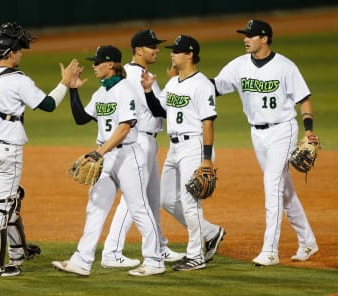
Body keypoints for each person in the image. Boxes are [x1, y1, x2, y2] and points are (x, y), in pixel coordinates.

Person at [0, 22, 79, 277]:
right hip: (8, 148)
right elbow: (47, 105)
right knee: (1, 205)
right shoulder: (18, 80)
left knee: (11, 198)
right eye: (19, 50)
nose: (21, 54)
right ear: (11, 52)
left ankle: (17, 251)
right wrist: (64, 83)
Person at [211, 19, 319, 266]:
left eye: (250, 35)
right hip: (257, 134)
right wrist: (187, 78)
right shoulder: (238, 65)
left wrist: (309, 131)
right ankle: (308, 241)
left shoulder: (285, 67)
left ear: (265, 38)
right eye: (244, 35)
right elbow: (214, 87)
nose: (245, 39)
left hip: (283, 130)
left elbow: (304, 99)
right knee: (285, 190)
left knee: (272, 185)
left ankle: (270, 250)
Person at [52, 45, 165, 277]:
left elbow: (125, 128)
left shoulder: (126, 90)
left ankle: (154, 260)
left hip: (128, 156)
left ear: (111, 64)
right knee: (95, 207)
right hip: (106, 155)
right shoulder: (101, 92)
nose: (94, 65)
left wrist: (99, 152)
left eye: (98, 62)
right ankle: (82, 261)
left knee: (139, 208)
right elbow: (82, 118)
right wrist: (73, 90)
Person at [100, 29, 185, 268]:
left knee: (151, 197)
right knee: (133, 200)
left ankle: (159, 245)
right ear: (138, 50)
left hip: (146, 140)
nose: (157, 49)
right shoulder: (136, 76)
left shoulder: (134, 73)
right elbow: (160, 109)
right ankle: (111, 251)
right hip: (140, 140)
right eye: (152, 46)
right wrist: (174, 84)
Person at [142, 35, 225, 271]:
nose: (172, 54)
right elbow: (160, 110)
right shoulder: (173, 83)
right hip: (175, 147)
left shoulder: (202, 85)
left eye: (177, 51)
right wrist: (149, 91)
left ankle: (195, 256)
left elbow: (208, 122)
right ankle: (212, 232)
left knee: (190, 203)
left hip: (194, 146)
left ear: (189, 54)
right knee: (167, 199)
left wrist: (207, 158)